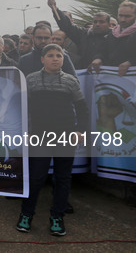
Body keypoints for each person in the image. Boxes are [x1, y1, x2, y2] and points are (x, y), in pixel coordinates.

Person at [16, 44, 88, 236]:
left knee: (63, 178)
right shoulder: (30, 80)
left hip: (65, 136)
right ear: (42, 59)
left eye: (59, 55)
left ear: (63, 59)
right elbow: (23, 107)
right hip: (39, 136)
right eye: (50, 55)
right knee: (36, 177)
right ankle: (26, 214)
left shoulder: (71, 81)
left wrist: (80, 130)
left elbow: (82, 108)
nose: (55, 58)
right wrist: (27, 131)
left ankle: (57, 217)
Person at [47, 0, 110, 69]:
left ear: (109, 24)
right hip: (86, 74)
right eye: (95, 22)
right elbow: (67, 26)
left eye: (101, 22)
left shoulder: (114, 36)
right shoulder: (84, 34)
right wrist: (55, 9)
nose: (97, 24)